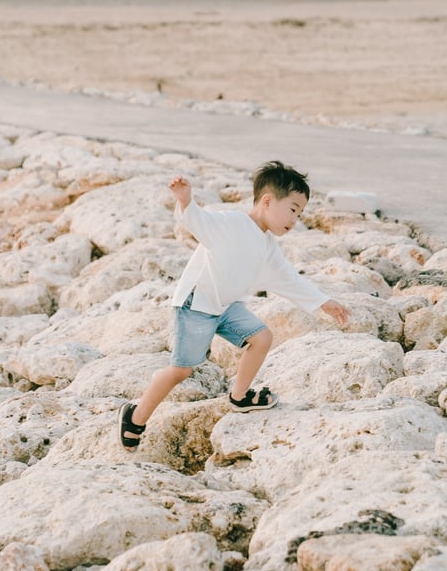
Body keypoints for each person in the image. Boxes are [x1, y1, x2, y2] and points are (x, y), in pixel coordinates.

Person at [119, 160, 351, 450]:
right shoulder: (231, 223)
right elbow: (197, 220)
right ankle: (135, 417)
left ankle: (239, 396)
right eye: (292, 209)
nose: (296, 219)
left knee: (262, 338)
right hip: (197, 305)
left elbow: (288, 279)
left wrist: (323, 302)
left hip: (225, 306)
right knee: (181, 371)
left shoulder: (267, 245)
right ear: (267, 201)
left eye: (300, 213)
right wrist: (185, 200)